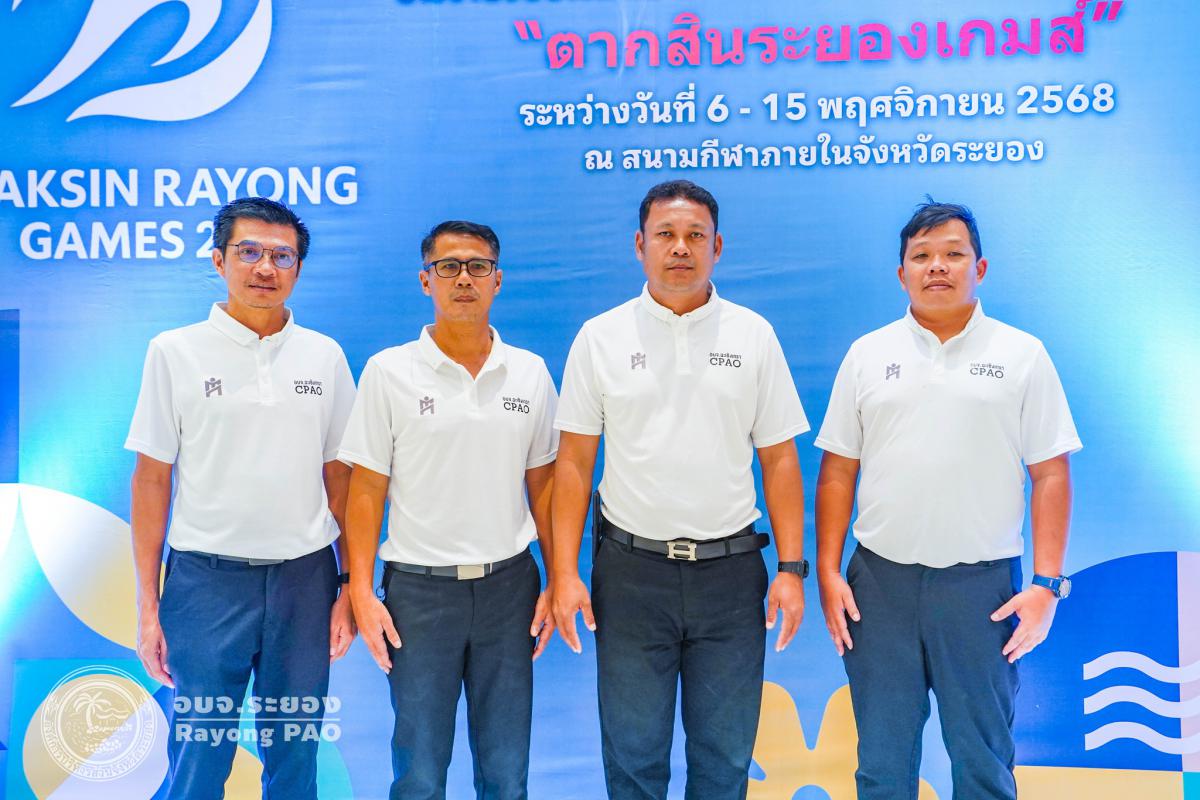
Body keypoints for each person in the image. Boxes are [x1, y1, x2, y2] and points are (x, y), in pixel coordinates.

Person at [551, 180, 810, 800]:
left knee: (725, 758)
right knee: (633, 757)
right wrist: (563, 573)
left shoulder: (753, 335)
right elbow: (574, 464)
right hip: (631, 574)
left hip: (731, 575)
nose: (680, 248)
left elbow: (779, 459)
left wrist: (791, 569)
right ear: (639, 245)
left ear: (717, 247)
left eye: (696, 235)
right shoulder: (600, 337)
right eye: (665, 234)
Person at [815, 200, 1081, 799]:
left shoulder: (1022, 355)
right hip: (879, 587)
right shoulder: (867, 354)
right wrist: (828, 572)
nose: (937, 266)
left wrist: (1047, 584)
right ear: (901, 273)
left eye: (953, 254)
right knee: (882, 763)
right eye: (922, 256)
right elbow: (837, 472)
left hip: (981, 592)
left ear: (979, 268)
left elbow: (1051, 473)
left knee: (983, 761)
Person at [127, 196, 357, 799]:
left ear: (298, 268)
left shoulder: (325, 356)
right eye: (249, 251)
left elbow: (341, 481)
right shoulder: (174, 351)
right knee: (199, 757)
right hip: (205, 585)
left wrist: (350, 585)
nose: (265, 268)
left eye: (282, 256)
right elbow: (151, 480)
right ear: (218, 259)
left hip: (305, 582)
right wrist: (148, 606)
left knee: (295, 755)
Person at [339, 220, 558, 800]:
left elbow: (544, 484)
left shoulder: (530, 372)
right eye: (448, 267)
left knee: (506, 768)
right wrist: (359, 590)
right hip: (419, 594)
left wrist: (559, 577)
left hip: (509, 589)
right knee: (419, 769)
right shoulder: (388, 371)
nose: (464, 278)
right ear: (426, 280)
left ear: (497, 280)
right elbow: (366, 489)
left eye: (478, 266)